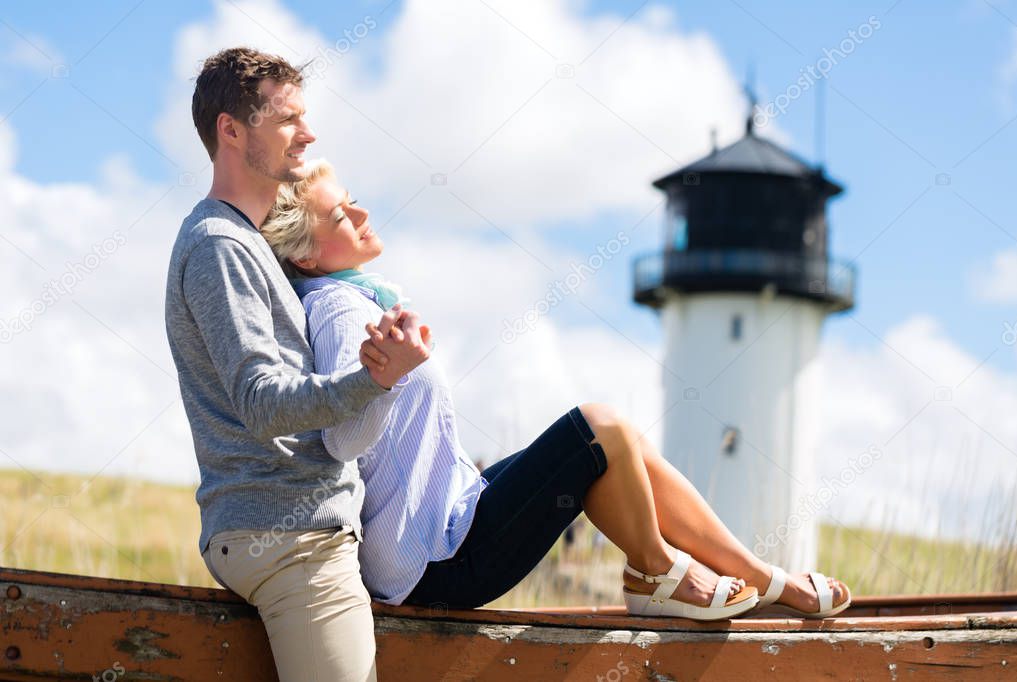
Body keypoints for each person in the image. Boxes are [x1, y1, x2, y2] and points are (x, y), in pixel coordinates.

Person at [260, 159, 854, 621]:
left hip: (451, 514)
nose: (362, 216)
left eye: (354, 204)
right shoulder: (340, 312)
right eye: (341, 216)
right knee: (601, 428)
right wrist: (382, 379)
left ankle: (762, 577)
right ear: (308, 253)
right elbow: (341, 438)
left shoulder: (364, 297)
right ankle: (657, 570)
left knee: (624, 449)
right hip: (432, 564)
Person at [164, 48, 424, 682]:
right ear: (231, 130)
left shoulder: (248, 244)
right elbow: (261, 401)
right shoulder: (220, 246)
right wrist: (375, 377)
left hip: (290, 534)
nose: (307, 134)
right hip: (292, 540)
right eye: (287, 119)